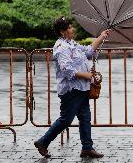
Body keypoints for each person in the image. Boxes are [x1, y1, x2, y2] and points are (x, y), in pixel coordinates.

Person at [34, 16, 110, 158]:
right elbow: (67, 70)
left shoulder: (72, 44)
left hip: (81, 88)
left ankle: (87, 148)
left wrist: (101, 37)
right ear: (62, 32)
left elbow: (88, 51)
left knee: (85, 117)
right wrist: (88, 76)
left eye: (71, 26)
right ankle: (43, 142)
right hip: (71, 90)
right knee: (66, 120)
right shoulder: (61, 48)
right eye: (69, 27)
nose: (72, 29)